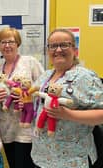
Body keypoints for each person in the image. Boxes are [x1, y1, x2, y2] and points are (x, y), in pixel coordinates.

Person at [31, 28, 103, 168]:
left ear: (74, 50)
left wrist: (68, 114)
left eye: (64, 45)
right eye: (53, 46)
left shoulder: (86, 77)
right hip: (41, 157)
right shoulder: (45, 75)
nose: (58, 50)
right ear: (48, 51)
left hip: (72, 160)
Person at [0, 27, 44, 168]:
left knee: (24, 164)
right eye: (3, 42)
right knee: (13, 163)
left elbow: (43, 88)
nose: (7, 45)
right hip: (6, 126)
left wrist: (27, 96)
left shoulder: (30, 62)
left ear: (17, 43)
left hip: (25, 126)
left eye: (11, 41)